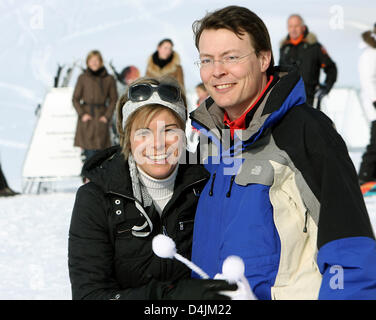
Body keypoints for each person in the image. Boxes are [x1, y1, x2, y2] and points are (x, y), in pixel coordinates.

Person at [189, 5, 376, 300]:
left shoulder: (305, 131)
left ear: (264, 59)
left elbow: (349, 247)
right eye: (207, 60)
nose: (217, 71)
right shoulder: (209, 138)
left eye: (232, 57)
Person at [68, 76, 236, 300]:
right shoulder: (96, 198)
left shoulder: (209, 186)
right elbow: (88, 295)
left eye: (168, 130)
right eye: (144, 132)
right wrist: (174, 297)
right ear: (127, 138)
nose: (157, 143)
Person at [279, 14, 337, 108]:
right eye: (290, 26)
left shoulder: (314, 47)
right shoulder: (284, 48)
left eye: (296, 26)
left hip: (310, 99)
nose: (293, 29)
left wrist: (326, 87)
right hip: (288, 101)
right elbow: (280, 72)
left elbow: (331, 68)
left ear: (303, 27)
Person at [72, 50, 118, 162]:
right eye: (92, 61)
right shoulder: (83, 78)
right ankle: (88, 178)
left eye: (97, 60)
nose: (94, 63)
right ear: (87, 62)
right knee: (89, 154)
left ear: (101, 62)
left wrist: (106, 116)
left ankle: (99, 178)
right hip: (87, 118)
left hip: (101, 116)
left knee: (102, 154)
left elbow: (113, 99)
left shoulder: (108, 79)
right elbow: (75, 99)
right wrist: (82, 114)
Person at [358, 23, 376, 191]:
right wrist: (374, 100)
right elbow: (367, 80)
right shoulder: (370, 54)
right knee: (375, 143)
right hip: (374, 105)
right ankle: (365, 177)